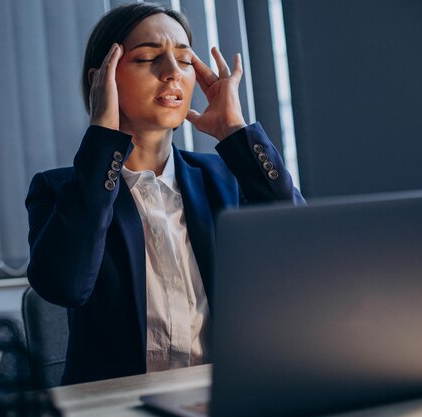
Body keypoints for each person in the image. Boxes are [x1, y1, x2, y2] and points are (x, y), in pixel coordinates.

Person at [25, 2, 304, 386]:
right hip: (117, 409)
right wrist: (102, 140)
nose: (173, 72)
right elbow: (66, 285)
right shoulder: (59, 191)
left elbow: (303, 247)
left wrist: (236, 134)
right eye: (148, 57)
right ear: (100, 79)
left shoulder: (226, 178)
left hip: (230, 396)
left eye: (185, 59)